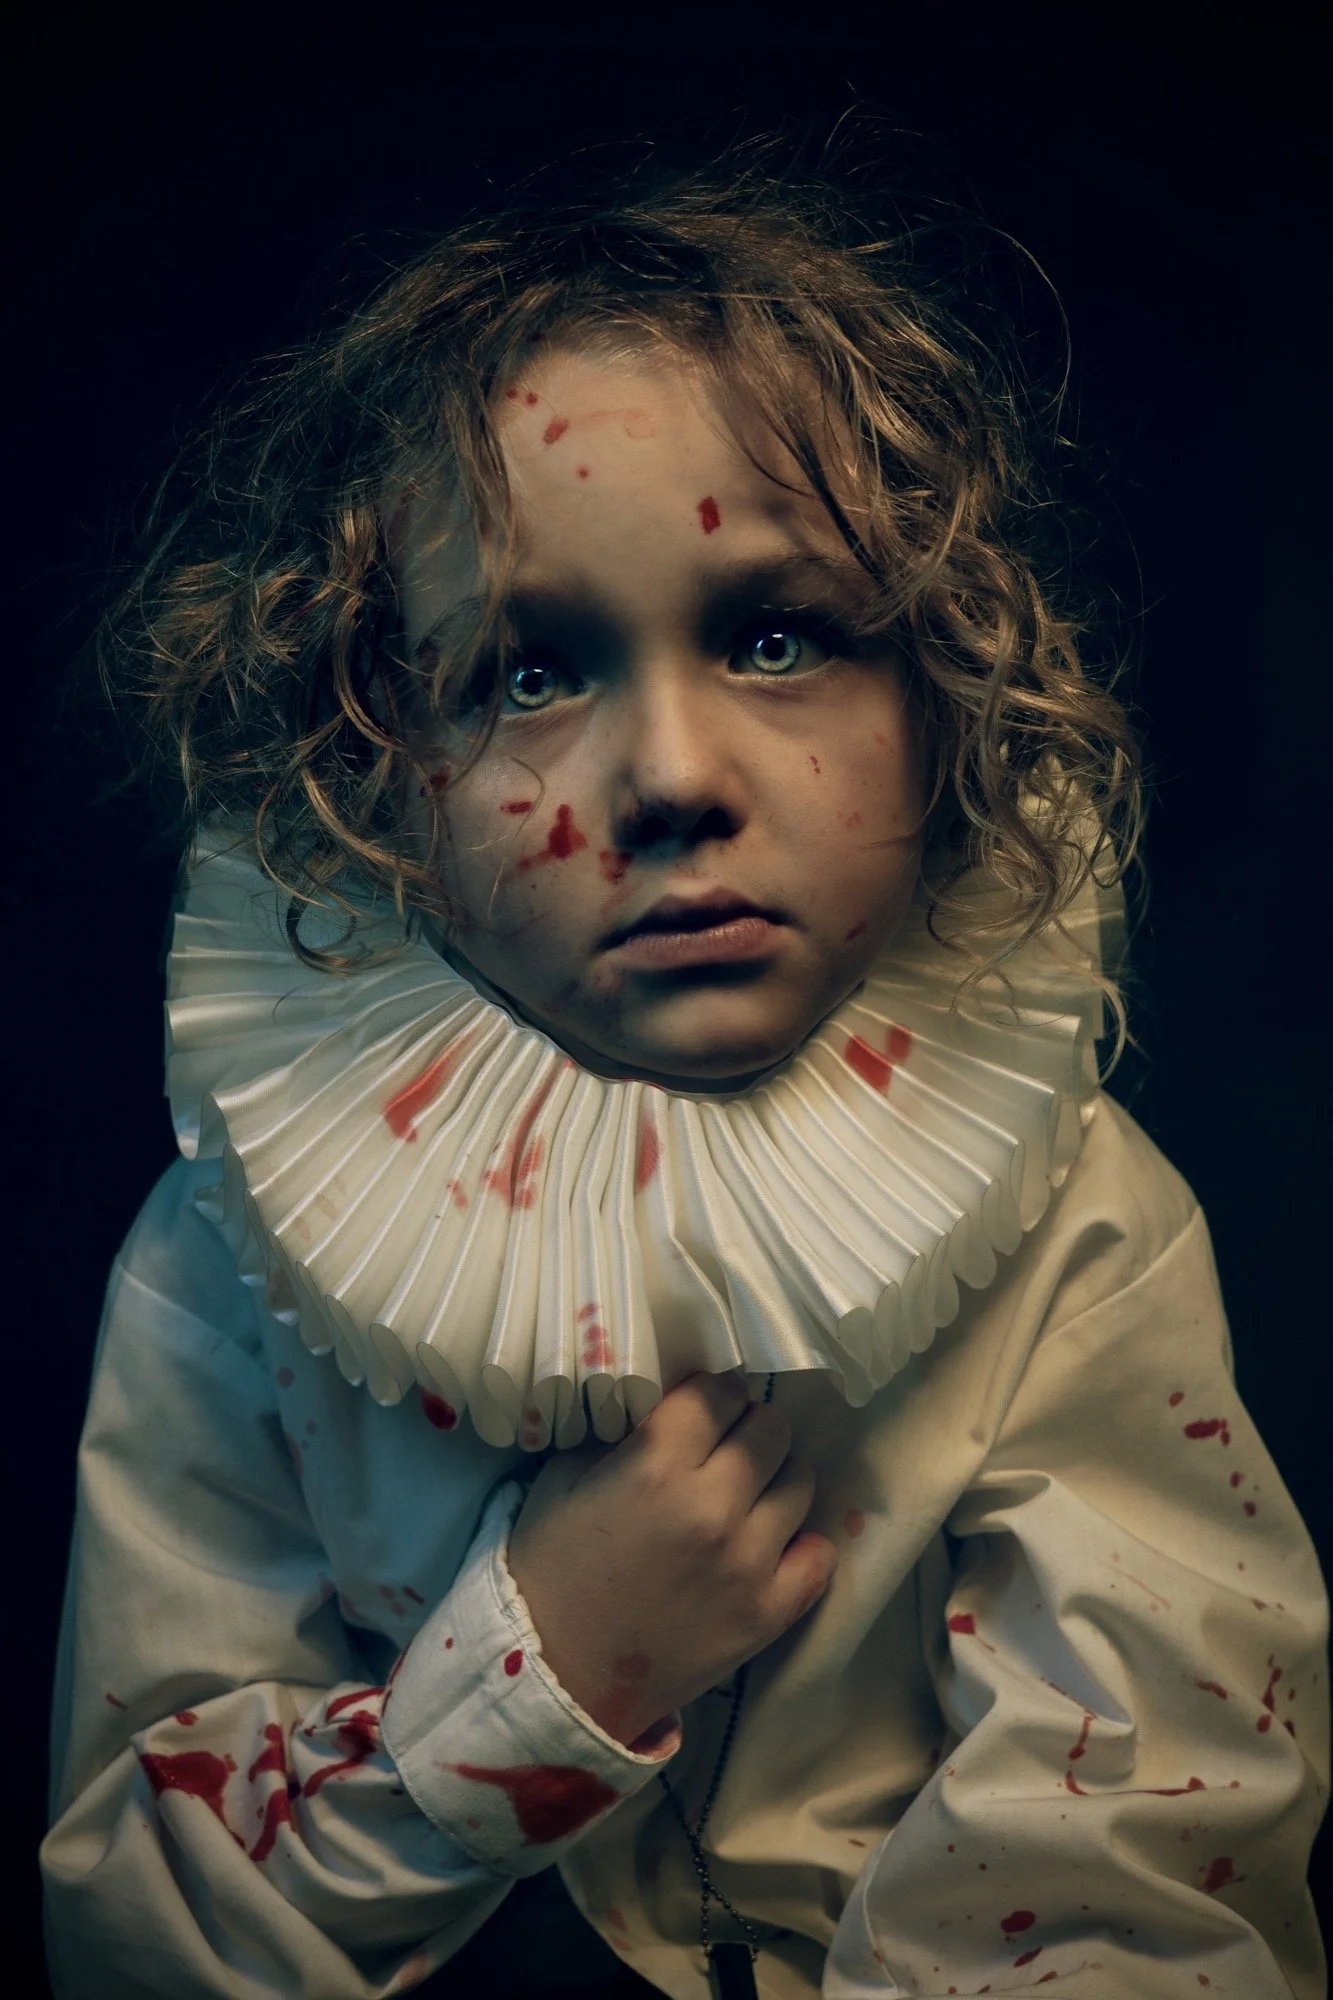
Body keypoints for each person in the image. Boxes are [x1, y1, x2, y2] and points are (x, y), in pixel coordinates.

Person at [41, 155, 1327, 1999]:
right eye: (529, 669)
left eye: (777, 634)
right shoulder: (229, 1267)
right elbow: (140, 1933)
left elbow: (1137, 1879)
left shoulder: (1083, 1229)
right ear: (371, 772)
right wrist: (547, 1667)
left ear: (946, 698)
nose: (671, 775)